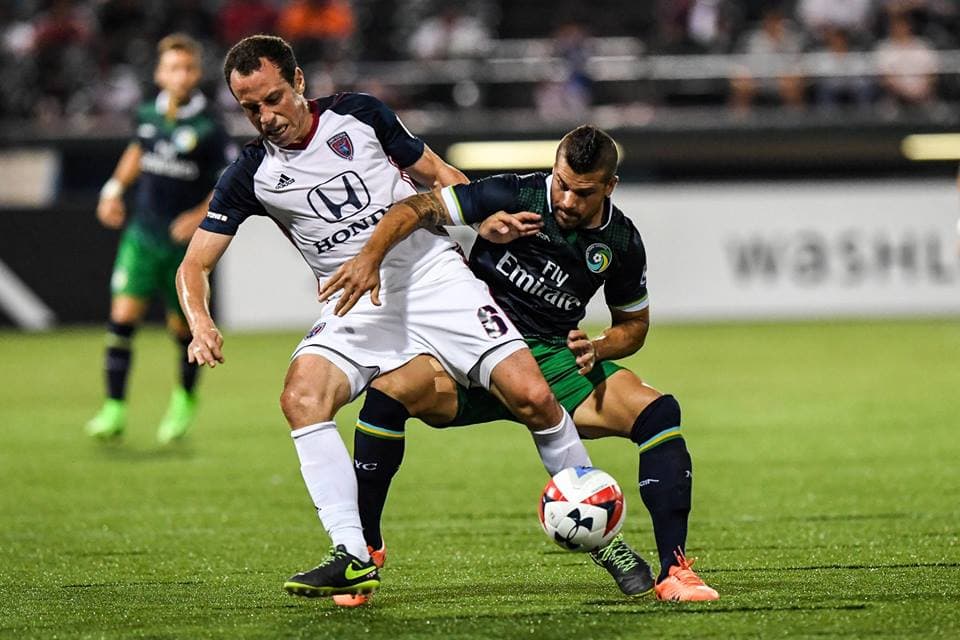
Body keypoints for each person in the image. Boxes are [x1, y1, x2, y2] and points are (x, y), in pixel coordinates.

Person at [176, 34, 593, 600]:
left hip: (433, 277)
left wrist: (479, 219)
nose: (265, 116)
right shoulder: (249, 174)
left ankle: (600, 525)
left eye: (273, 98)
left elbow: (436, 172)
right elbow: (193, 266)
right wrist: (200, 322)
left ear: (299, 82)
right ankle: (351, 553)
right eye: (250, 107)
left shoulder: (360, 115)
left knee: (535, 399)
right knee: (301, 397)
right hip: (357, 305)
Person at [322, 125, 720, 604]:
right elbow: (418, 207)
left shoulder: (621, 241)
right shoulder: (513, 193)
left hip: (550, 359)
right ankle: (364, 551)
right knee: (387, 394)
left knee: (658, 413)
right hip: (466, 344)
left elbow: (633, 327)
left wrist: (600, 347)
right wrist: (467, 226)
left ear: (610, 187)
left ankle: (673, 571)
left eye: (583, 192)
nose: (568, 200)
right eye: (562, 183)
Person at [86, 33, 232, 444]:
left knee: (181, 331)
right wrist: (113, 189)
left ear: (197, 73)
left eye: (187, 68)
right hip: (142, 235)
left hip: (184, 247)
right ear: (159, 73)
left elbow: (228, 184)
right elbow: (138, 150)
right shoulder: (147, 113)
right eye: (172, 67)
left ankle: (184, 400)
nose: (180, 75)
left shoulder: (210, 127)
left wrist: (198, 215)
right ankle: (113, 410)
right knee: (121, 321)